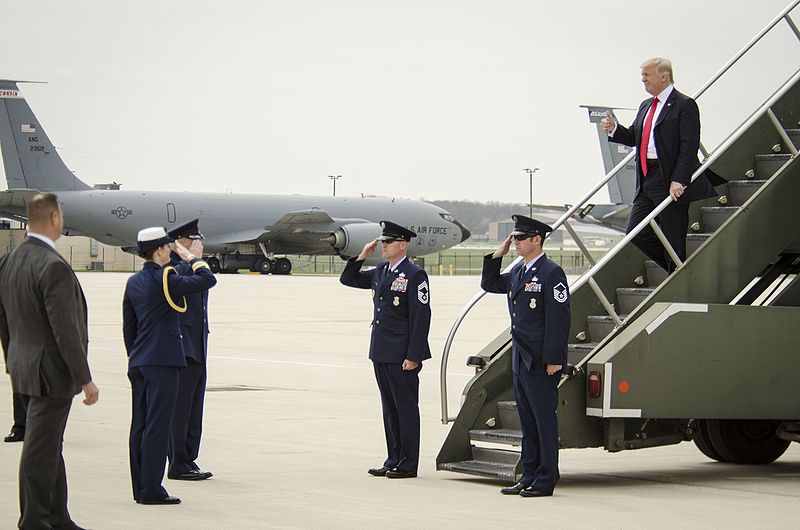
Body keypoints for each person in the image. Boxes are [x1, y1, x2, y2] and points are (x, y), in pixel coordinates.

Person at [0, 192, 99, 529]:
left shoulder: (12, 259)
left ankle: (58, 517)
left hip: (25, 369)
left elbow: (4, 318)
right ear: (54, 218)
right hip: (50, 375)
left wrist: (12, 358)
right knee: (39, 454)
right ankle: (34, 521)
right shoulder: (52, 266)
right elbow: (65, 331)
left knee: (48, 446)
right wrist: (85, 379)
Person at [123, 227, 217, 505]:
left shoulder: (134, 281)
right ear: (160, 250)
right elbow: (207, 278)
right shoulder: (167, 277)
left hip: (140, 359)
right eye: (167, 246)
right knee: (158, 426)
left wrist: (136, 355)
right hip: (163, 360)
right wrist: (191, 257)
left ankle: (140, 486)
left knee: (139, 425)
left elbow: (130, 326)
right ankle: (152, 488)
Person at [601, 57, 720, 272]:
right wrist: (614, 129)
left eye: (647, 75)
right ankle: (674, 268)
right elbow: (634, 137)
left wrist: (679, 180)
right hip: (646, 177)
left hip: (669, 177)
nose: (643, 79)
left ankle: (675, 269)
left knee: (673, 236)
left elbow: (688, 146)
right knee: (636, 233)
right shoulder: (646, 106)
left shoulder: (684, 105)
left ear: (664, 77)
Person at [481, 215, 570, 498]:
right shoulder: (519, 272)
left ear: (537, 240)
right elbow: (490, 283)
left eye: (521, 238)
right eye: (514, 238)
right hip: (521, 358)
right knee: (527, 420)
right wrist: (498, 255)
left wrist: (555, 358)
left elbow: (559, 319)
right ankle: (529, 474)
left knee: (543, 420)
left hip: (542, 359)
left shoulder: (550, 273)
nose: (516, 242)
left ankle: (545, 478)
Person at [339, 221, 431, 479]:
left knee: (405, 408)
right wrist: (361, 257)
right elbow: (348, 279)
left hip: (402, 353)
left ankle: (408, 462)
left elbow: (420, 317)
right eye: (382, 242)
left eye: (388, 242)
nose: (383, 246)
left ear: (402, 245)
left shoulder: (414, 275)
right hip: (381, 350)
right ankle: (393, 458)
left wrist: (413, 356)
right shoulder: (381, 270)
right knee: (389, 408)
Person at [166, 219, 214, 481]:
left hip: (198, 346)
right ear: (179, 243)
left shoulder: (194, 266)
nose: (200, 245)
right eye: (194, 240)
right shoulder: (172, 268)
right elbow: (201, 281)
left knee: (194, 409)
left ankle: (188, 459)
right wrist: (188, 259)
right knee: (180, 409)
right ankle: (177, 462)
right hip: (182, 348)